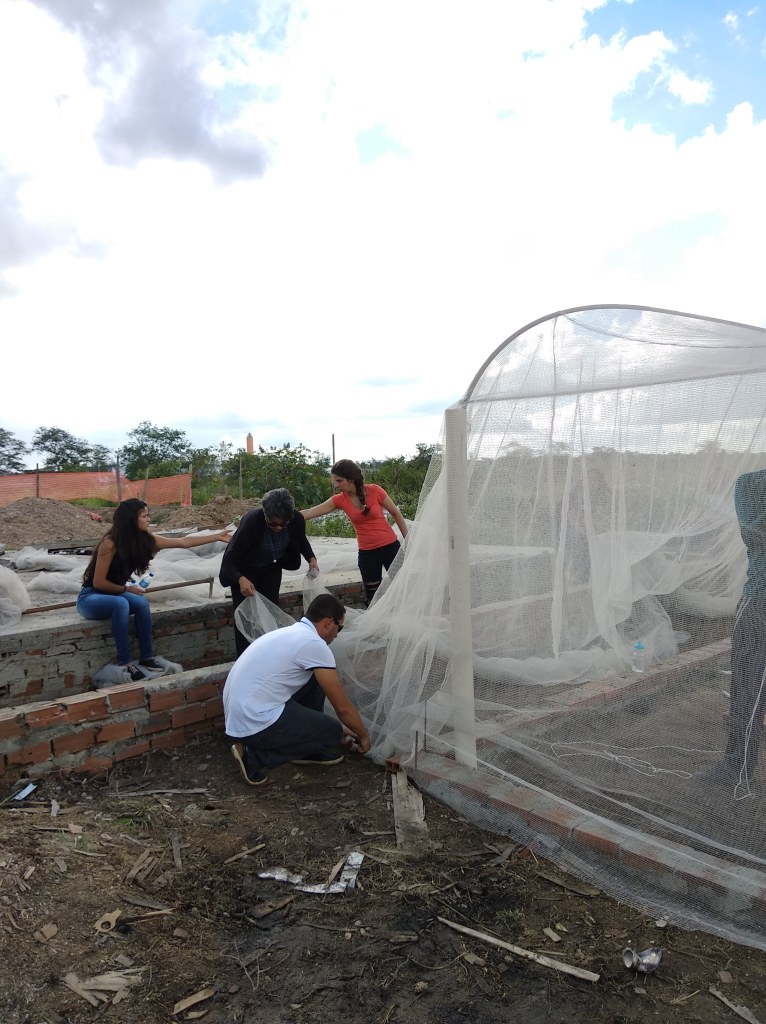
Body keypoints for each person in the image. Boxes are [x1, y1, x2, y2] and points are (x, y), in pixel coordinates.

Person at [77, 498, 231, 685]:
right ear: (131, 519)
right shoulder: (110, 544)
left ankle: (147, 657)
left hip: (115, 594)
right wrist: (127, 589)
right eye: (144, 516)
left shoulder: (145, 540)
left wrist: (217, 537)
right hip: (91, 597)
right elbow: (99, 582)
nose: (148, 519)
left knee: (141, 603)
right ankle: (125, 662)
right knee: (121, 603)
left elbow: (183, 542)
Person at [223, 593, 370, 786]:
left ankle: (307, 749)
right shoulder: (314, 645)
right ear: (328, 623)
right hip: (255, 720)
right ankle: (253, 758)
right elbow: (342, 708)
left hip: (239, 714)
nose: (337, 635)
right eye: (339, 628)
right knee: (332, 732)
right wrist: (363, 736)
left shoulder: (292, 633)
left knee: (315, 678)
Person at [703, 469, 766, 789]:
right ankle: (736, 764)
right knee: (747, 687)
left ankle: (736, 766)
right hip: (759, 603)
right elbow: (755, 534)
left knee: (749, 688)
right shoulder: (751, 483)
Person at [219, 488, 318, 657]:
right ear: (265, 515)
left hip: (272, 568)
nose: (278, 528)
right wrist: (240, 579)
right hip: (246, 571)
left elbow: (301, 539)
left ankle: (269, 655)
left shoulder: (296, 520)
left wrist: (311, 558)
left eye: (283, 524)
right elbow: (229, 560)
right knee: (247, 619)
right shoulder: (252, 521)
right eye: (273, 524)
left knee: (270, 613)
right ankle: (246, 657)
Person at [301, 459, 408, 606]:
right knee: (373, 597)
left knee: (404, 589)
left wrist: (408, 539)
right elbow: (310, 512)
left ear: (350, 480)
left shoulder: (375, 490)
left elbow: (396, 513)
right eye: (335, 481)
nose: (336, 485)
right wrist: (285, 515)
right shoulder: (339, 500)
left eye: (339, 481)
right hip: (368, 553)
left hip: (391, 548)